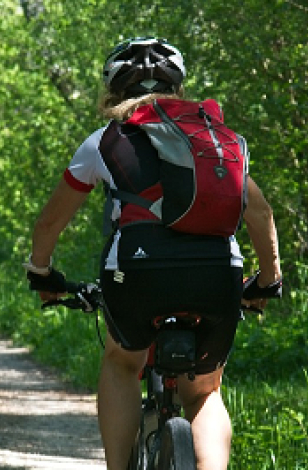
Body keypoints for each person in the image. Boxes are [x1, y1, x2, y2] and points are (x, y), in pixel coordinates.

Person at [24, 37, 282, 470]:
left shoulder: (104, 141)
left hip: (137, 275)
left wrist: (43, 273)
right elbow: (260, 213)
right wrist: (268, 279)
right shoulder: (220, 141)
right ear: (177, 88)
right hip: (218, 273)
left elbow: (50, 223)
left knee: (123, 362)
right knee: (204, 392)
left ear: (113, 90)